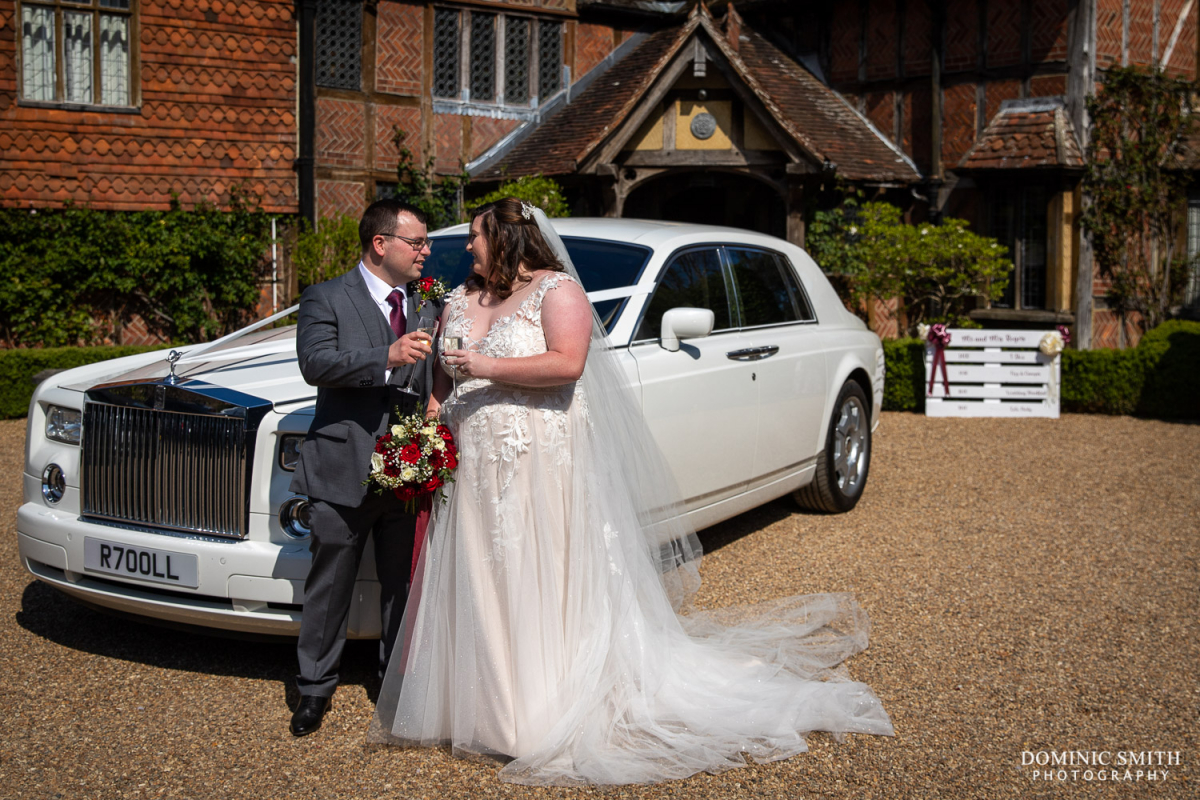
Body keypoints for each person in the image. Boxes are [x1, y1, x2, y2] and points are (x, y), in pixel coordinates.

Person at [368, 198, 893, 784]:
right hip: (472, 464)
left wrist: (485, 368)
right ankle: (484, 708)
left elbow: (568, 365)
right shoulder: (460, 298)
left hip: (538, 458)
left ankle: (537, 713)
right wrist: (431, 429)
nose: (467, 248)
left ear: (510, 239)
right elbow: (443, 370)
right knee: (482, 574)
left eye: (476, 237)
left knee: (536, 570)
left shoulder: (559, 292)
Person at [288, 199, 444, 737]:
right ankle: (313, 689)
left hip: (408, 468)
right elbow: (316, 363)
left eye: (425, 243)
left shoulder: (429, 299)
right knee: (330, 582)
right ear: (381, 244)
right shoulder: (326, 296)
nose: (427, 251)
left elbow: (437, 370)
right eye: (417, 242)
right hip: (342, 465)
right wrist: (384, 355)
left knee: (402, 583)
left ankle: (395, 684)